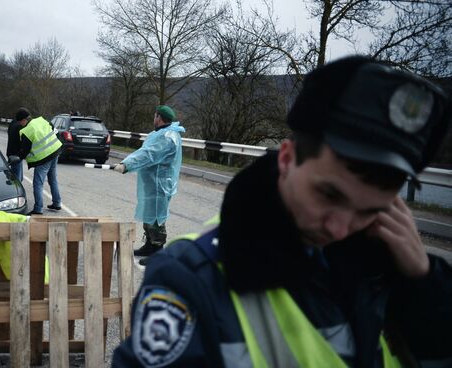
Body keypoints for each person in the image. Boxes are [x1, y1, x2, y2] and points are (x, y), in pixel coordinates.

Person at [112, 56, 452, 367]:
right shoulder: (191, 281)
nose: (339, 228)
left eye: (370, 210)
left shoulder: (401, 275)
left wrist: (426, 291)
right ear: (287, 159)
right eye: (328, 194)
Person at [114, 105, 185, 266]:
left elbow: (149, 154)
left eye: (155, 116)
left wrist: (127, 164)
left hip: (160, 183)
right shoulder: (159, 133)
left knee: (156, 216)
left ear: (159, 117)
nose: (154, 118)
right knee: (149, 213)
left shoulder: (167, 136)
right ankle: (149, 245)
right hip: (152, 182)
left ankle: (157, 250)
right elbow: (145, 151)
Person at [15, 107, 63, 215]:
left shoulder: (27, 131)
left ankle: (38, 208)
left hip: (44, 158)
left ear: (23, 120)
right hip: (55, 152)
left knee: (38, 183)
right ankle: (57, 203)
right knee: (52, 179)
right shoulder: (41, 120)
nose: (20, 124)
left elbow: (25, 150)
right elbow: (54, 131)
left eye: (19, 122)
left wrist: (18, 158)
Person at [6, 116, 24, 182]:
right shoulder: (19, 126)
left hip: (12, 154)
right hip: (16, 156)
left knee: (18, 178)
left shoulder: (12, 123)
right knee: (17, 180)